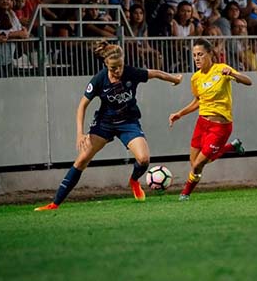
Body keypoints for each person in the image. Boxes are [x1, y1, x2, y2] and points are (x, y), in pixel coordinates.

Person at [35, 41, 183, 211]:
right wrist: (79, 133)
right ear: (106, 64)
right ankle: (55, 203)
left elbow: (155, 73)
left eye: (119, 66)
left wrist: (175, 80)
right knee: (82, 160)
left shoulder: (131, 72)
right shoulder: (99, 79)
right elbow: (82, 105)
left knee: (143, 159)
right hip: (104, 124)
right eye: (113, 68)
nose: (118, 71)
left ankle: (133, 181)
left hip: (128, 122)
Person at [168, 38, 252, 201]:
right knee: (194, 163)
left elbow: (249, 81)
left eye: (200, 54)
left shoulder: (222, 69)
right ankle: (231, 147)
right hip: (202, 124)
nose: (197, 58)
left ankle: (185, 194)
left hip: (220, 127)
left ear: (210, 54)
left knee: (199, 164)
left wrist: (233, 74)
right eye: (194, 55)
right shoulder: (196, 78)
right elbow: (198, 101)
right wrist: (180, 113)